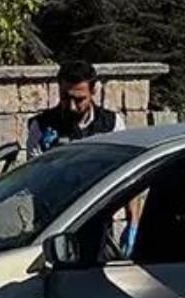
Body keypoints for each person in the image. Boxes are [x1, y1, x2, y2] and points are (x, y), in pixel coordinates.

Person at [26, 59, 141, 255]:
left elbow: (129, 177)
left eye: (79, 99)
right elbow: (34, 183)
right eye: (65, 97)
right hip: (53, 229)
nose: (71, 106)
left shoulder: (111, 125)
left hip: (98, 227)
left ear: (93, 91)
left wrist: (133, 225)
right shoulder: (42, 126)